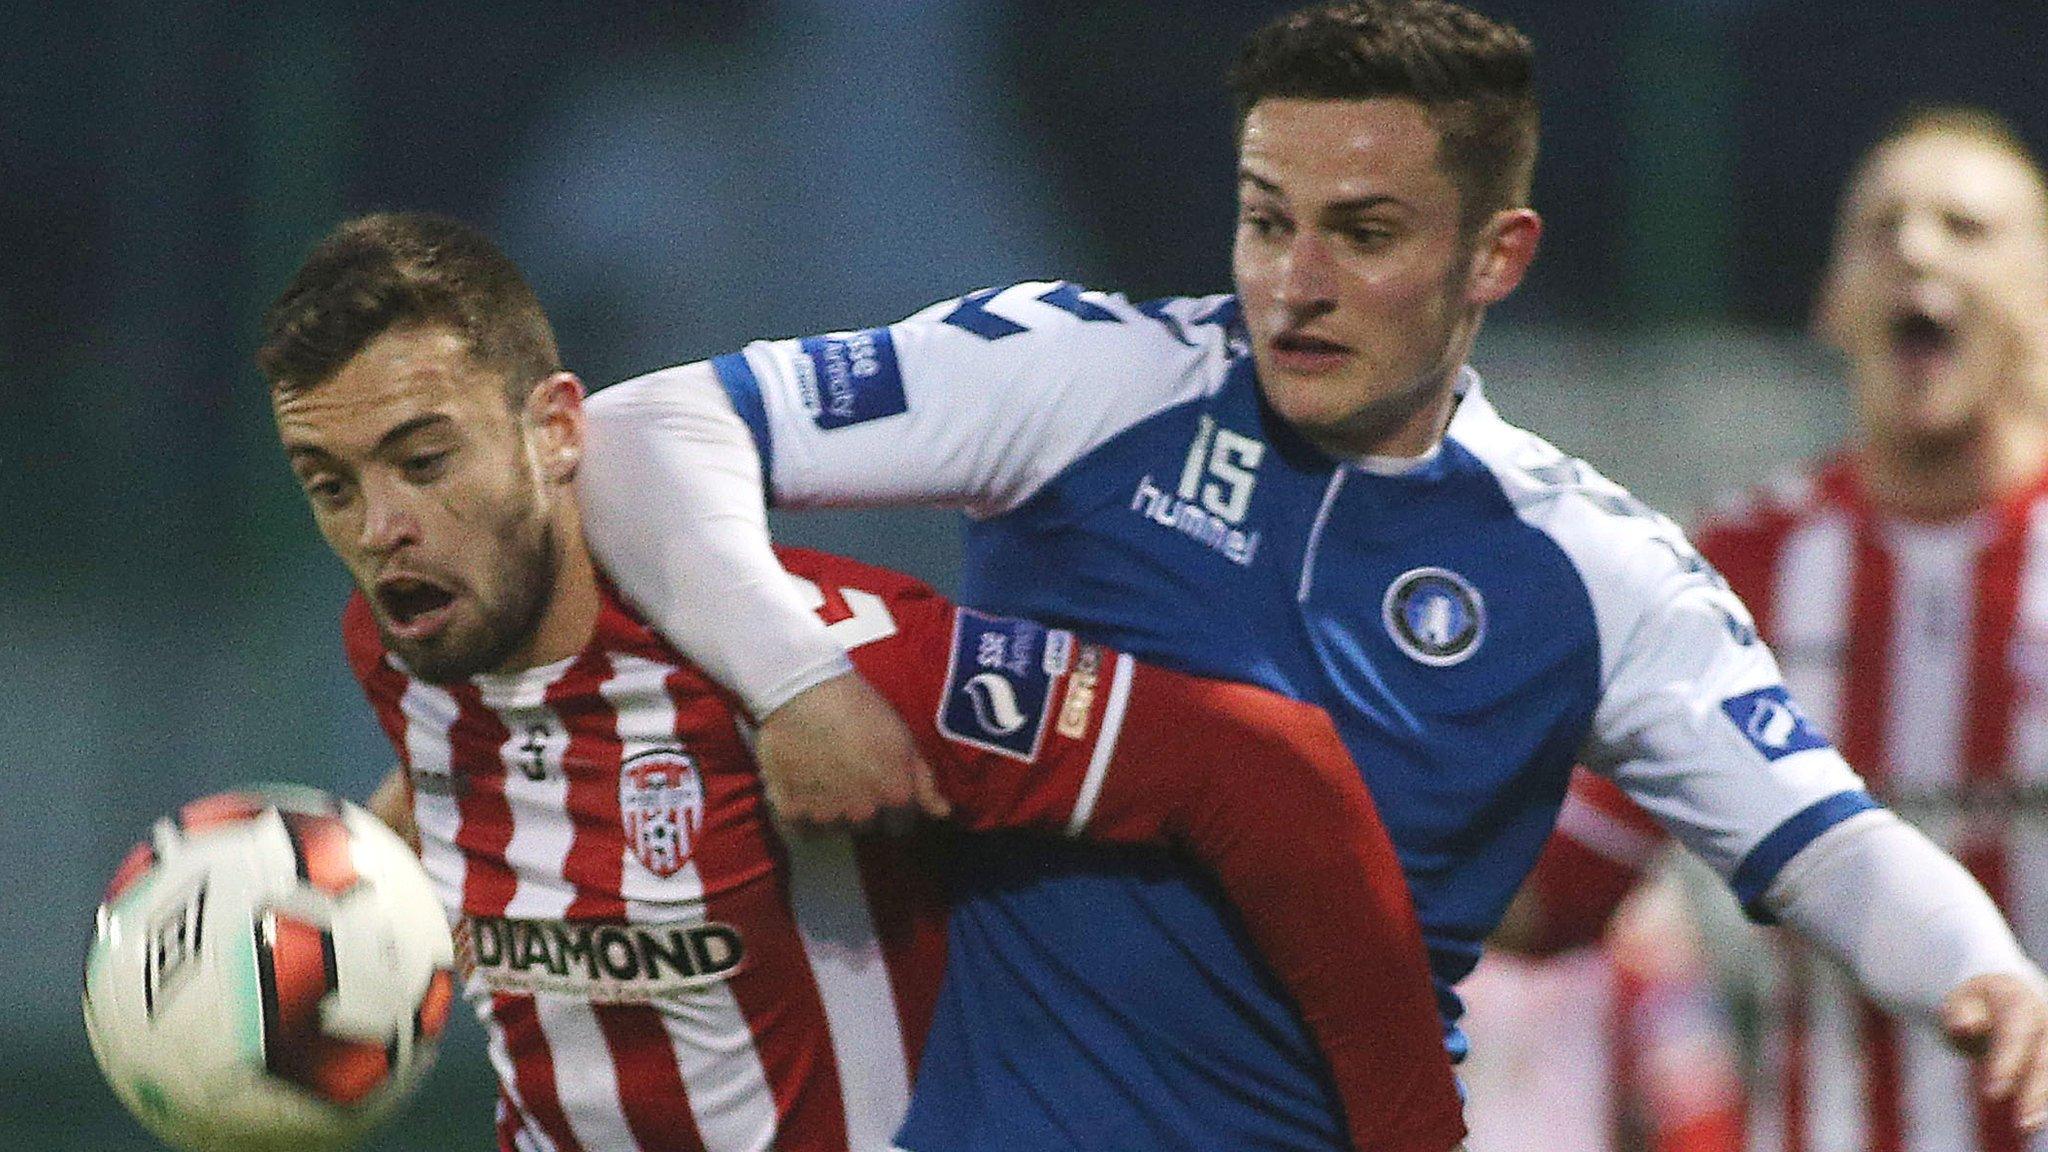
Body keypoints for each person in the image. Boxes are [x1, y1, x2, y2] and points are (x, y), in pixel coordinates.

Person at [573, 3, 2048, 1148]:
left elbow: (1832, 843)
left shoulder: (1597, 572)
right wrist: (795, 678)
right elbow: (647, 430)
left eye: (1365, 233)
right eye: (1268, 216)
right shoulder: (1090, 377)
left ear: (1497, 256)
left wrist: (1989, 971)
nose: (1295, 279)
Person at [257, 212, 1466, 1151]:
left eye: (424, 462)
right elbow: (492, 773)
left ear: (557, 432)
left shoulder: (802, 660)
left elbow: (1266, 767)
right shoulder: (410, 653)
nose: (381, 529)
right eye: (329, 484)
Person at [1498, 105, 2048, 1152]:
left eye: (1963, 228)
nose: (1915, 248)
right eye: (1880, 229)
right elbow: (1550, 898)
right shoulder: (1735, 571)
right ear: (1830, 305)